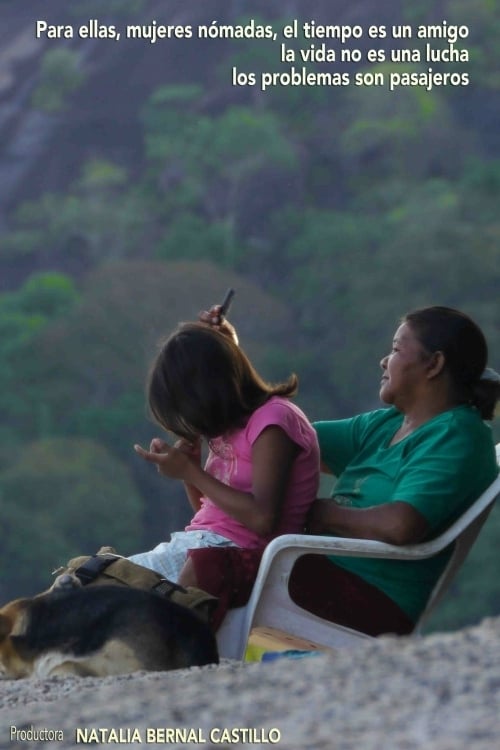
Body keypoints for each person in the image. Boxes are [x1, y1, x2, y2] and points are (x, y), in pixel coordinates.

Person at [288, 305, 500, 635]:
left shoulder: (455, 434)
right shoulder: (389, 422)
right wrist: (222, 358)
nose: (384, 361)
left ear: (434, 364)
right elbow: (286, 439)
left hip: (372, 598)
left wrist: (312, 512)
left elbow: (401, 525)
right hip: (323, 570)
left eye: (396, 349)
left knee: (223, 563)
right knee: (218, 550)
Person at [130, 317, 320, 628]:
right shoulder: (228, 428)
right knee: (84, 578)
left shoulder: (273, 420)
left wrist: (192, 473)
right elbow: (214, 513)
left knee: (101, 589)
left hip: (239, 555)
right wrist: (189, 468)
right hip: (203, 541)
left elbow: (261, 519)